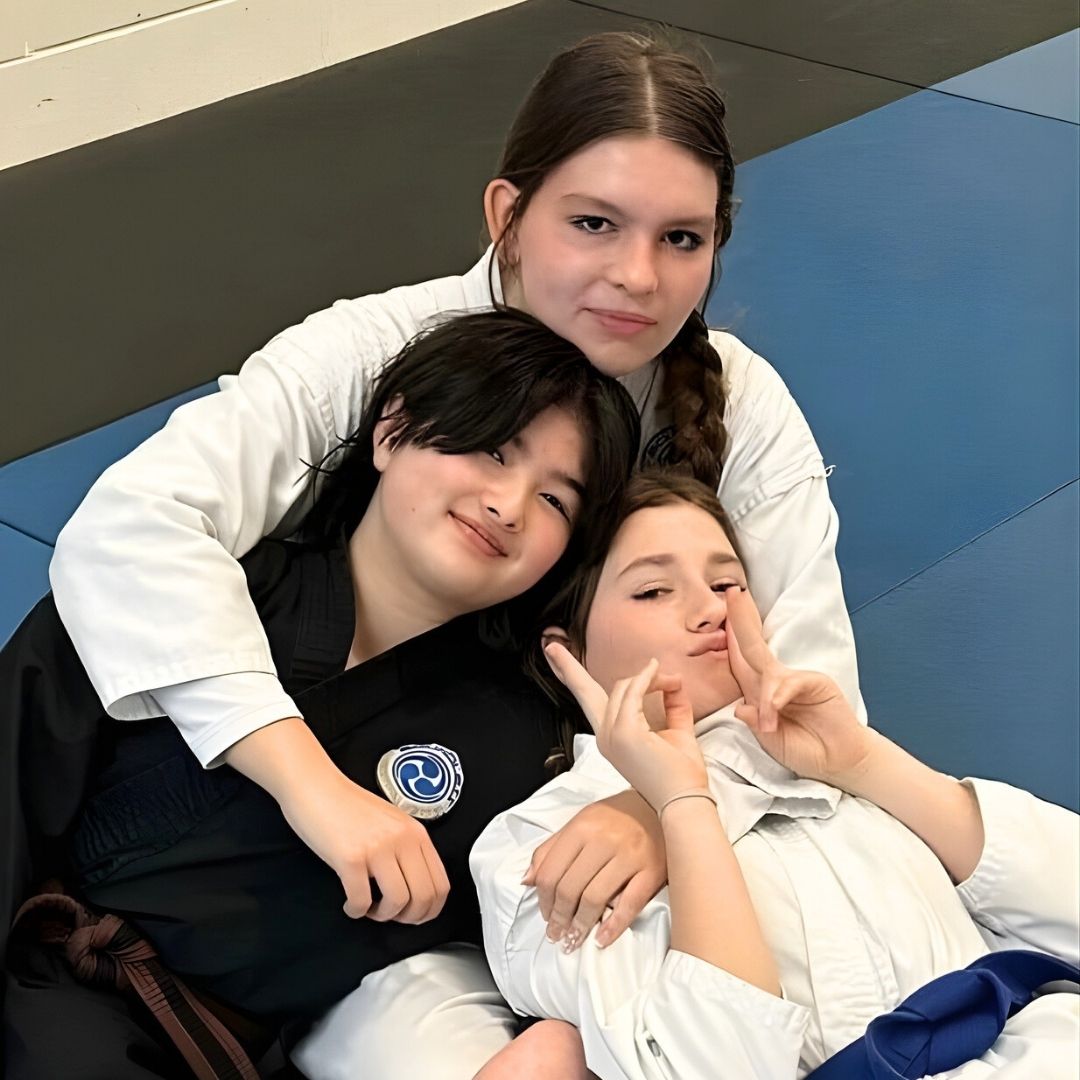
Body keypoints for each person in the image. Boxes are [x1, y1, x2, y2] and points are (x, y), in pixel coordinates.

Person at [46, 32, 863, 963]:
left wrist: (664, 805)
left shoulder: (740, 404)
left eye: (682, 238)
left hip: (617, 788)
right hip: (376, 808)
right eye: (593, 223)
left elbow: (814, 689)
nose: (638, 277)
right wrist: (304, 778)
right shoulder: (372, 350)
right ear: (506, 214)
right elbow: (134, 523)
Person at [1, 309, 641, 1078]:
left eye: (555, 501)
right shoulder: (185, 587)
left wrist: (651, 815)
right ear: (391, 430)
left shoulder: (526, 742)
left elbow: (558, 946)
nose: (509, 504)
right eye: (491, 449)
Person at [463, 470, 1080, 1080]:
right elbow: (714, 1064)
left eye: (727, 583)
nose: (710, 610)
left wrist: (864, 763)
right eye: (653, 591)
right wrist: (680, 806)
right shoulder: (534, 843)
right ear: (566, 648)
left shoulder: (827, 760)